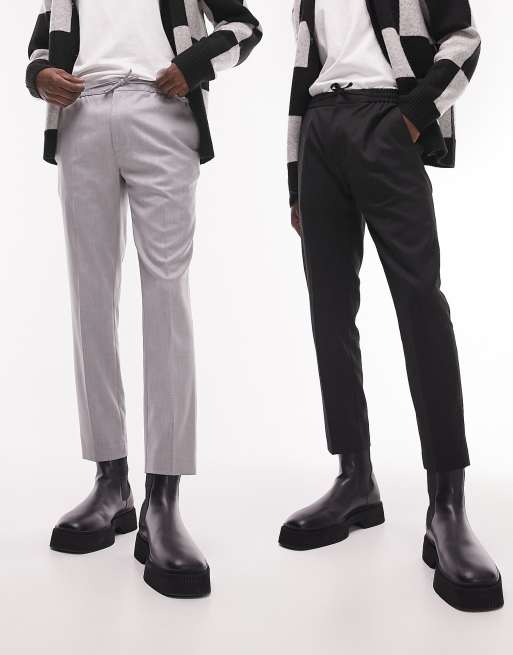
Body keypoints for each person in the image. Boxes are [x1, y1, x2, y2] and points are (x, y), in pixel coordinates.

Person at [26, 0, 261, 599]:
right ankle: (111, 483)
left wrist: (195, 64)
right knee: (90, 303)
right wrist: (39, 74)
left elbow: (243, 26)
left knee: (166, 302)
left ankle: (164, 499)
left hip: (161, 107)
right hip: (80, 115)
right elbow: (43, 39)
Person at [279, 0, 503, 612]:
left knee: (421, 306)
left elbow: (464, 40)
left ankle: (447, 505)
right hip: (322, 129)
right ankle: (355, 479)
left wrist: (412, 115)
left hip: (386, 119)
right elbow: (303, 75)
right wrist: (296, 175)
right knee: (329, 310)